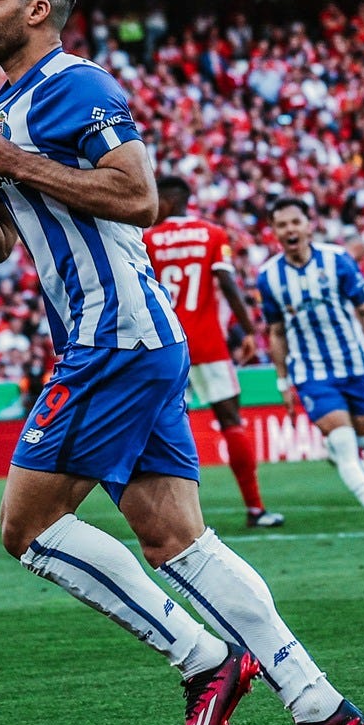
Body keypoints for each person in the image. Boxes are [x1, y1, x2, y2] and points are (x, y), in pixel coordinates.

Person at [0, 0, 364, 725]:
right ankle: (321, 706)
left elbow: (138, 197)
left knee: (26, 528)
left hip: (114, 338)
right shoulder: (4, 106)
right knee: (175, 536)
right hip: (123, 339)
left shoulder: (79, 86)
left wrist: (10, 162)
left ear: (36, 10)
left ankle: (204, 657)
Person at [255, 197, 364, 536]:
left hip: (354, 365)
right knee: (345, 442)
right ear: (275, 233)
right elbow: (276, 333)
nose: (290, 229)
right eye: (282, 225)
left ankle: (340, 451)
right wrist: (283, 382)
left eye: (295, 222)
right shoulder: (269, 277)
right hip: (311, 374)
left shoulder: (337, 261)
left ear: (309, 225)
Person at [145, 175, 282, 529]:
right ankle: (255, 508)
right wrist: (249, 331)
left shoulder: (148, 239)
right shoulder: (212, 234)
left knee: (157, 428)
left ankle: (165, 516)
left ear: (170, 202)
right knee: (231, 422)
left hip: (164, 345)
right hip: (208, 343)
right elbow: (227, 283)